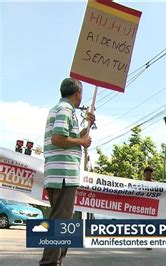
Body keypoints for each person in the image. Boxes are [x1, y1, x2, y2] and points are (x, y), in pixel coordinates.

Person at [41, 78, 95, 265]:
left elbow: (68, 137)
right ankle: (49, 262)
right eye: (81, 93)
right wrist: (82, 142)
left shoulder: (60, 109)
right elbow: (58, 138)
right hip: (63, 174)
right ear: (77, 93)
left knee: (61, 219)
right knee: (61, 221)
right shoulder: (65, 110)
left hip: (58, 173)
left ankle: (55, 261)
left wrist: (87, 126)